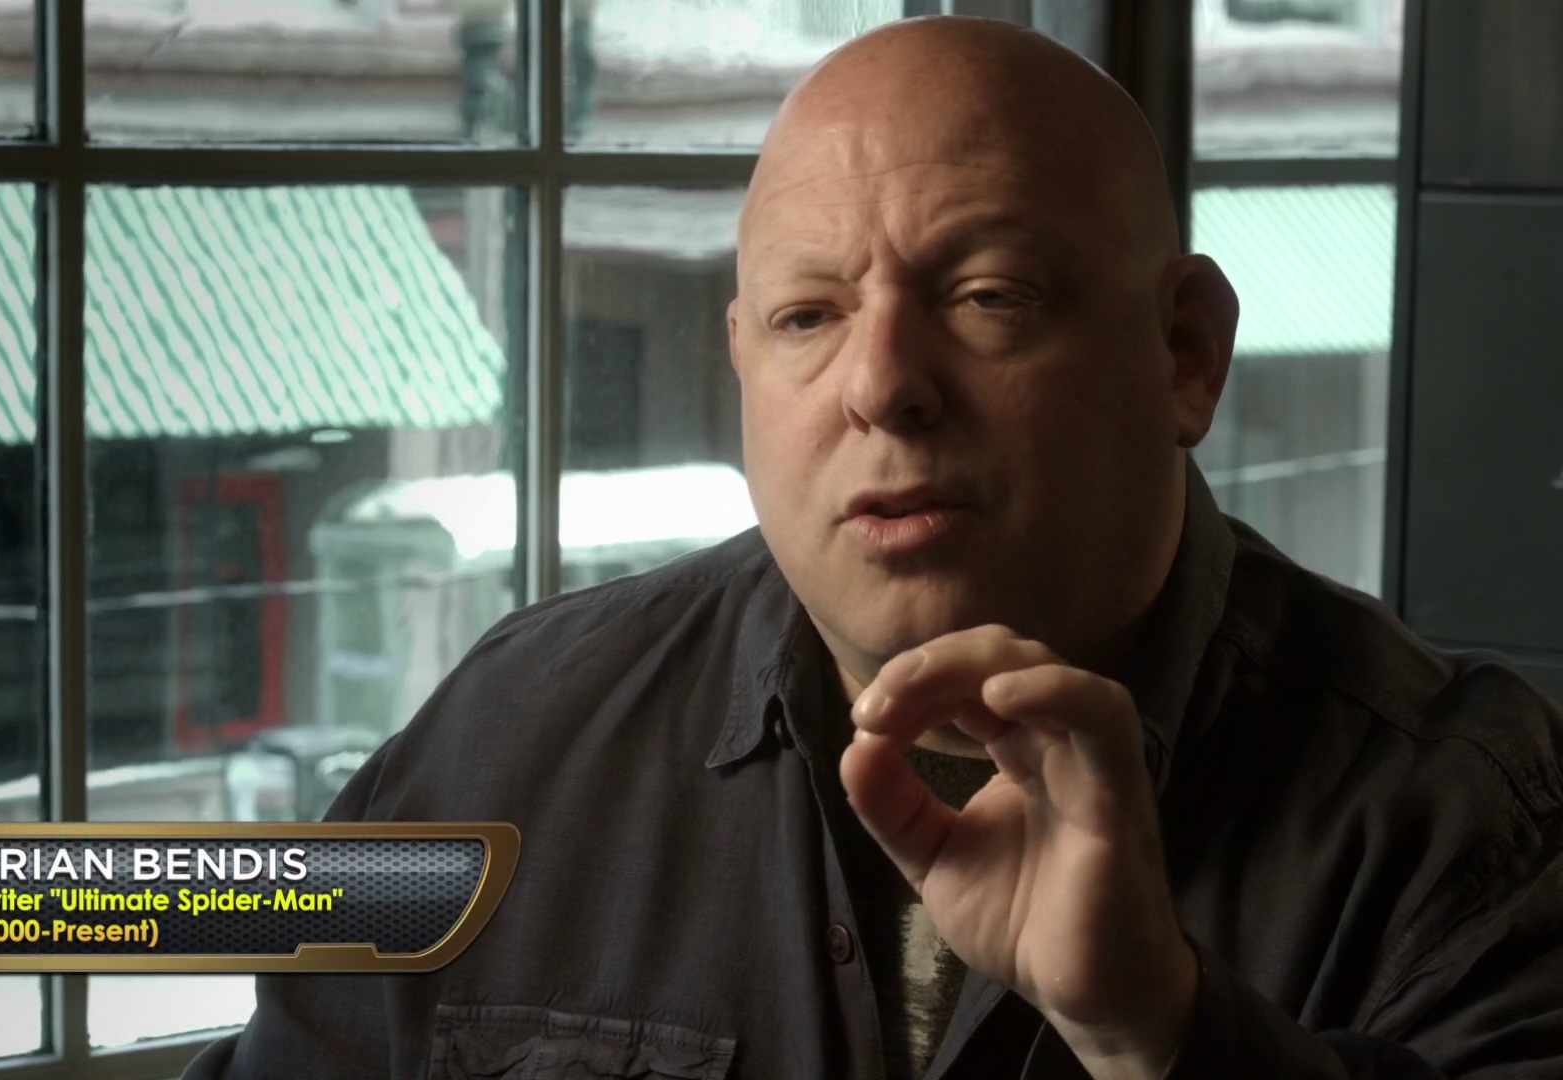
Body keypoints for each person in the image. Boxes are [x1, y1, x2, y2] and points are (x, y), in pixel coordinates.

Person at [185, 17, 1563, 1079]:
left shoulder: (1466, 824)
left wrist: (1163, 1035)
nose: (882, 384)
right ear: (743, 362)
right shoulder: (500, 739)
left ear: (1185, 355)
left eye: (989, 296)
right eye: (809, 316)